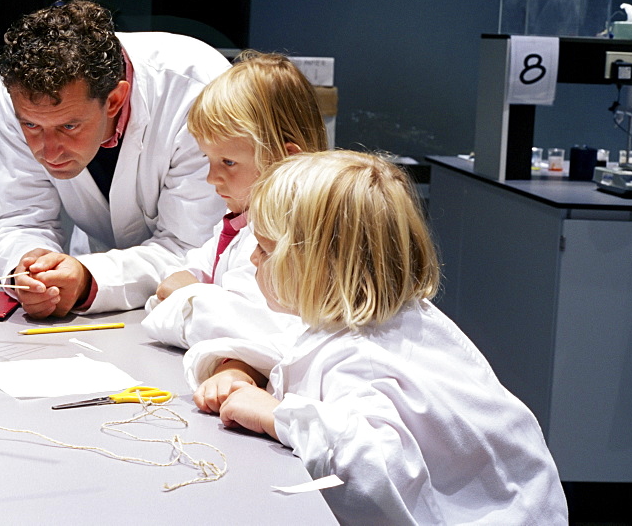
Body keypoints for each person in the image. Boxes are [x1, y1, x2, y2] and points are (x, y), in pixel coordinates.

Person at [185, 151, 568, 525]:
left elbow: (372, 467)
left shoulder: (362, 357)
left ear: (319, 264)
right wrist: (239, 369)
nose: (252, 258)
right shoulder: (390, 321)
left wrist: (276, 415)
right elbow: (286, 352)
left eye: (266, 249)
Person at [0, 0, 229, 318]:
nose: (48, 150)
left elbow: (192, 247)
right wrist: (33, 269)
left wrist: (89, 278)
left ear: (114, 100)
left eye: (69, 126)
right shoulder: (15, 93)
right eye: (31, 125)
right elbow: (21, 217)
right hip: (90, 291)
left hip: (190, 303)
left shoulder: (197, 90)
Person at [142, 51, 328, 349]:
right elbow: (176, 281)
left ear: (287, 159)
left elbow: (248, 333)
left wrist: (188, 300)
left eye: (228, 162)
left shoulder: (285, 240)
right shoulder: (238, 220)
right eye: (209, 159)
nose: (211, 177)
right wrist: (191, 300)